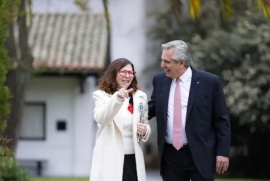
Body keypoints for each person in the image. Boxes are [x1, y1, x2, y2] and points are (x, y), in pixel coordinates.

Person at [148, 40, 231, 181]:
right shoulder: (159, 80)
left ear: (181, 62)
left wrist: (222, 152)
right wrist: (127, 108)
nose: (162, 65)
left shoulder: (209, 82)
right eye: (162, 61)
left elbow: (221, 120)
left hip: (200, 154)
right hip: (170, 156)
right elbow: (152, 108)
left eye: (167, 62)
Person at [90, 58, 151, 181]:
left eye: (131, 73)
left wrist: (145, 130)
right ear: (114, 73)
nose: (127, 76)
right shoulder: (101, 95)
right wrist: (117, 98)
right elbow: (102, 118)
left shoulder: (140, 97)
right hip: (110, 158)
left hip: (133, 159)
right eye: (123, 72)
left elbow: (146, 122)